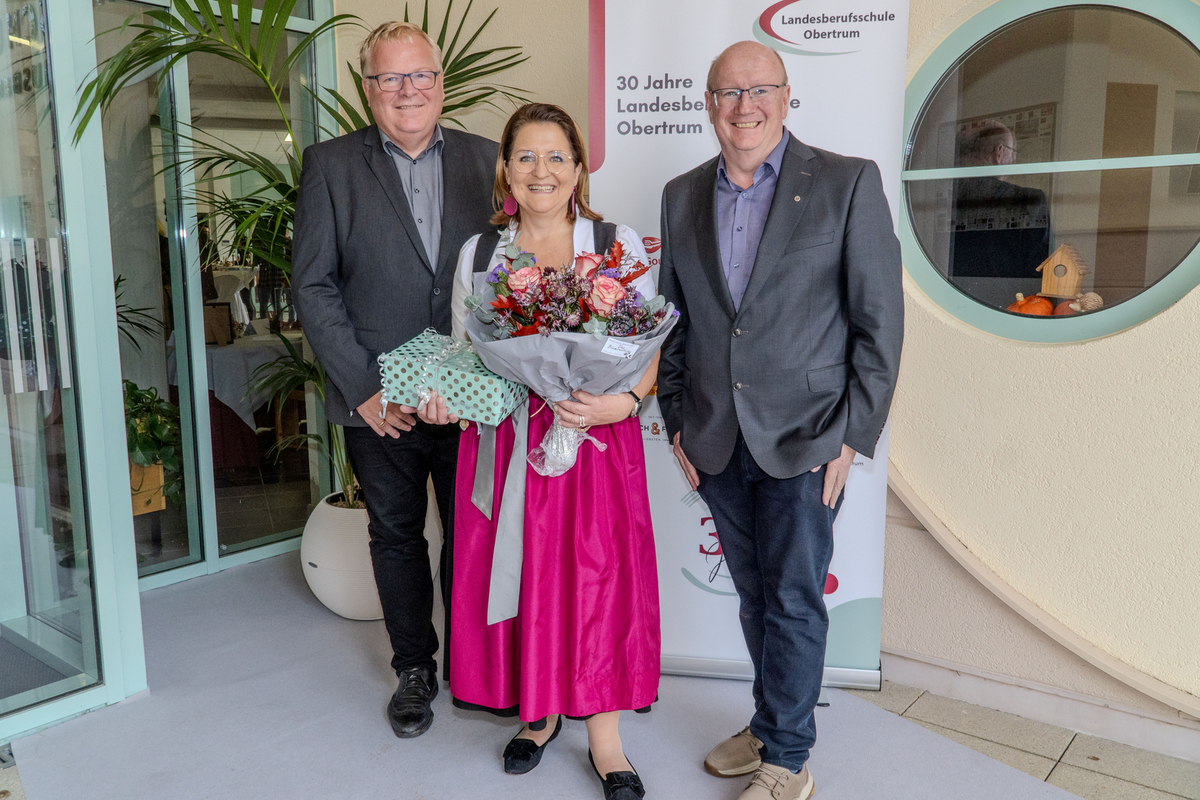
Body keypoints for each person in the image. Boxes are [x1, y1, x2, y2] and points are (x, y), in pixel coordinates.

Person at [656, 41, 904, 800]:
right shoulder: (681, 194)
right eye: (728, 93)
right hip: (714, 435)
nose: (745, 107)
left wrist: (853, 436)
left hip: (808, 436)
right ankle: (769, 723)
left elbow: (879, 322)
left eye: (759, 89)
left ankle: (789, 760)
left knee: (793, 598)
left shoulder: (846, 182)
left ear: (786, 95)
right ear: (709, 105)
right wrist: (675, 420)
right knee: (755, 596)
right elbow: (672, 320)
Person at [417, 102, 660, 800]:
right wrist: (443, 397)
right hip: (507, 443)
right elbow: (464, 355)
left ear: (578, 169)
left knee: (596, 582)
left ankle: (606, 740)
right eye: (525, 156)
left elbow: (647, 347)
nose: (541, 170)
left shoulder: (614, 245)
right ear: (505, 169)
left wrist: (626, 402)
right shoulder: (480, 254)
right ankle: (540, 713)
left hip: (595, 438)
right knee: (526, 576)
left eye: (556, 156)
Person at [291, 21, 498, 739]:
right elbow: (313, 285)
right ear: (368, 88)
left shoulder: (489, 160)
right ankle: (414, 669)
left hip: (473, 398)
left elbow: (514, 275)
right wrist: (365, 390)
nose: (408, 90)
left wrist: (490, 379)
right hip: (379, 402)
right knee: (397, 536)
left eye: (421, 75)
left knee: (473, 536)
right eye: (390, 78)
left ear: (441, 82)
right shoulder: (330, 165)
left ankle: (474, 663)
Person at [949, 119, 1051, 285]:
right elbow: (1040, 271)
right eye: (1013, 152)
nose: (1014, 158)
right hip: (1010, 298)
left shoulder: (940, 197)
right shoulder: (1030, 199)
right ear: (999, 152)